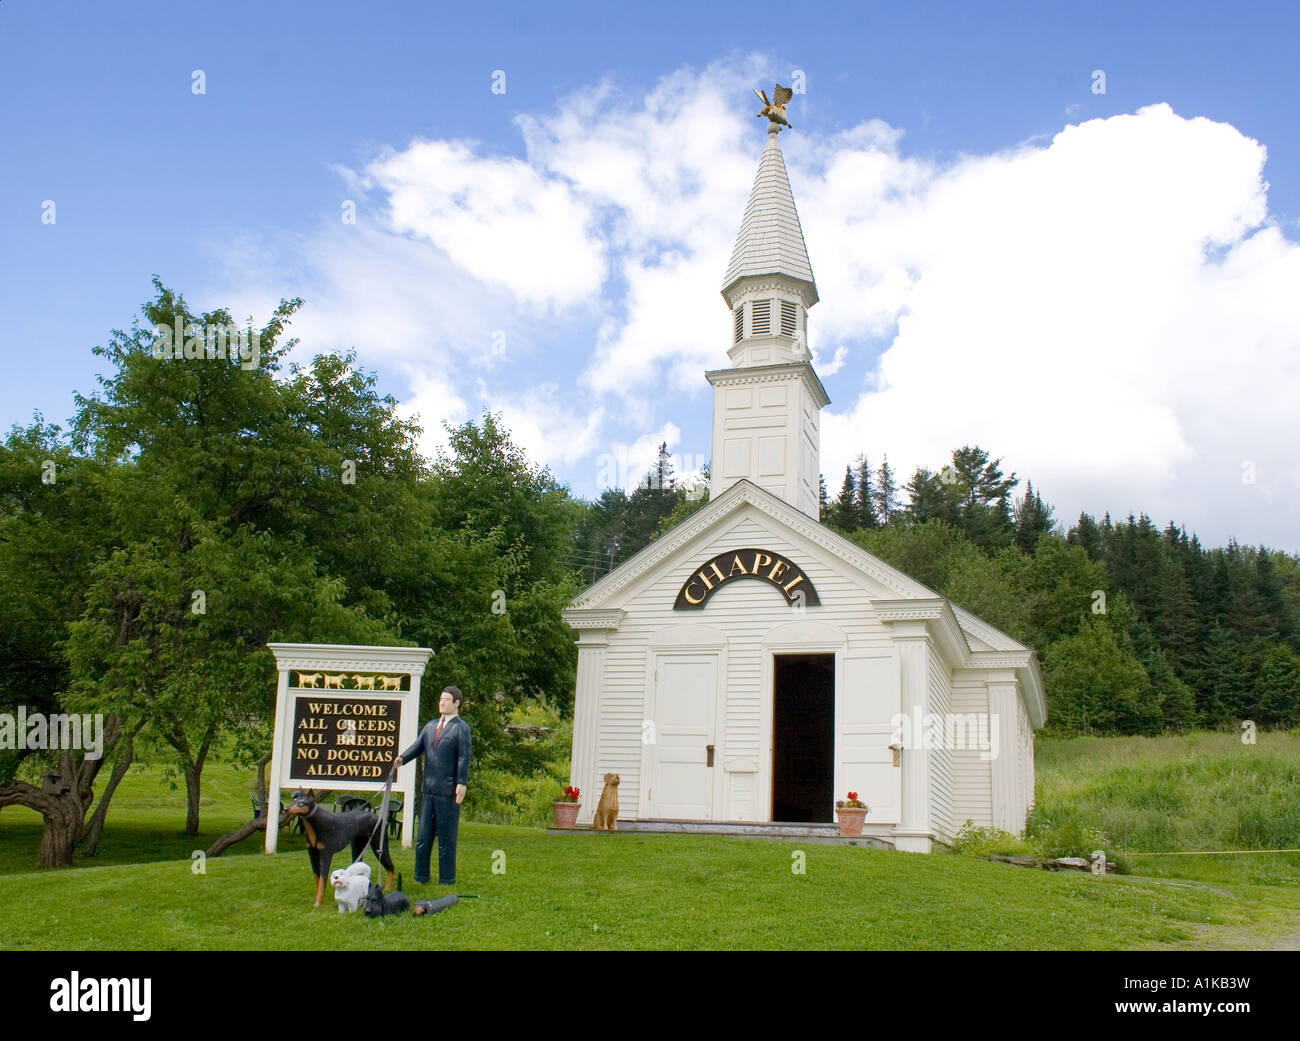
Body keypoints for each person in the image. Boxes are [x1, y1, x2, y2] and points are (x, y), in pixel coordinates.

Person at [394, 685, 471, 886]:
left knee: (446, 838)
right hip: (428, 791)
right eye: (441, 698)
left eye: (446, 699)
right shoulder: (430, 727)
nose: (442, 702)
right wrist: (402, 758)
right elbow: (418, 746)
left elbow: (464, 757)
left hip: (448, 791)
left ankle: (447, 878)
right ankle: (421, 876)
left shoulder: (461, 728)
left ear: (456, 703)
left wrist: (461, 782)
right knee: (423, 837)